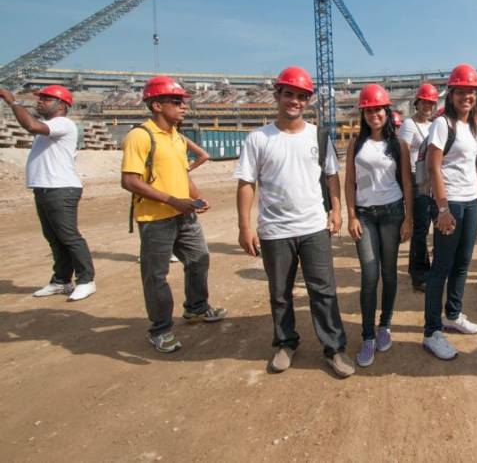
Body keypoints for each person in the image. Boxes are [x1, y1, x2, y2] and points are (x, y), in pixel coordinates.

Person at [234, 66, 353, 377]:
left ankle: (334, 348)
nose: (295, 101)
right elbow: (246, 183)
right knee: (280, 292)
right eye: (289, 94)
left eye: (301, 96)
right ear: (278, 95)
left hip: (314, 227)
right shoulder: (258, 138)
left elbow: (331, 175)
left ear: (307, 101)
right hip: (275, 230)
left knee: (323, 291)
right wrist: (245, 227)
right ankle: (286, 343)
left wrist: (337, 209)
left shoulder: (319, 135)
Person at [121, 76, 227, 353]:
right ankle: (160, 329)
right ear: (156, 105)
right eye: (177, 102)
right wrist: (173, 201)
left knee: (199, 259)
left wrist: (195, 197)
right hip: (156, 219)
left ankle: (196, 308)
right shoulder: (140, 136)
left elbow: (180, 173)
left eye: (183, 103)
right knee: (156, 275)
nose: (184, 107)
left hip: (184, 214)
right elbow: (130, 180)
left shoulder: (177, 137)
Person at [0, 85, 96, 301]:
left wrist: (12, 101)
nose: (40, 101)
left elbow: (31, 125)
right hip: (45, 188)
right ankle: (61, 281)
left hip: (60, 188)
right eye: (40, 98)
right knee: (54, 238)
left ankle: (86, 280)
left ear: (61, 105)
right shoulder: (50, 125)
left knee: (69, 236)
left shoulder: (63, 123)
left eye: (46, 98)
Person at [345, 84, 414, 367]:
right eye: (369, 110)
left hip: (392, 213)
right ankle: (367, 335)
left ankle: (384, 324)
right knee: (369, 275)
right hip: (365, 215)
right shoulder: (355, 144)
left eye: (378, 109)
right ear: (363, 113)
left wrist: (409, 217)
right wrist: (350, 215)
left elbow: (407, 182)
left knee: (389, 272)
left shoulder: (399, 145)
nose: (374, 114)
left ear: (387, 111)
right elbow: (349, 181)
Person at [422, 64, 477, 360]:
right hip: (451, 203)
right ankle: (432, 331)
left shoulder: (472, 125)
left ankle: (453, 314)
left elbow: (468, 163)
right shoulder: (442, 124)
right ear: (452, 93)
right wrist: (443, 208)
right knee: (442, 267)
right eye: (461, 91)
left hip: (471, 201)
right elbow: (433, 166)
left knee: (462, 263)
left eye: (471, 92)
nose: (467, 97)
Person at [398, 83, 437, 292]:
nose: (428, 106)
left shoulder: (433, 125)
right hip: (415, 178)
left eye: (431, 103)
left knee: (429, 225)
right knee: (420, 228)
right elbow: (402, 155)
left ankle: (425, 267)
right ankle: (418, 274)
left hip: (430, 179)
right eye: (424, 102)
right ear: (417, 103)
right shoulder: (409, 125)